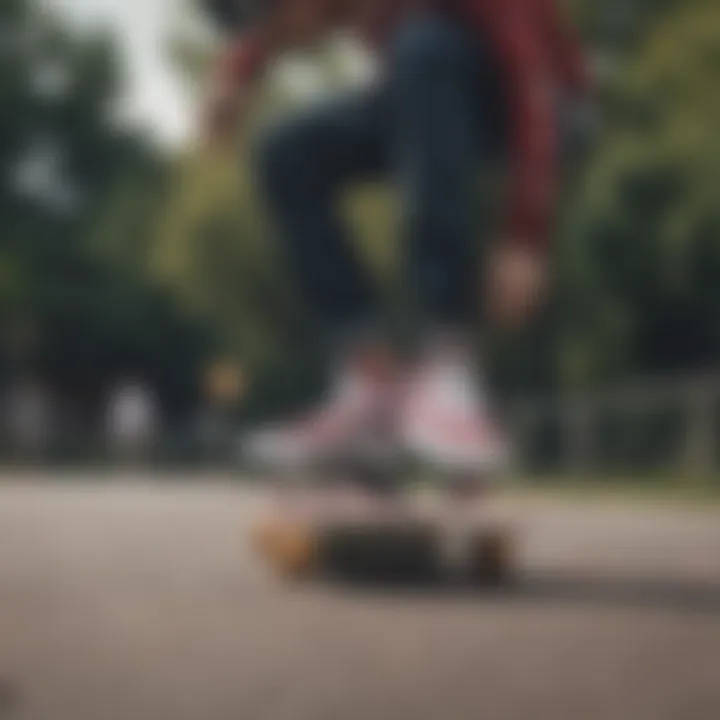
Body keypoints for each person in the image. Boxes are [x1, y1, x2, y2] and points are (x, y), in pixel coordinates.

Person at [203, 0, 592, 472]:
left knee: (423, 49)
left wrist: (526, 232)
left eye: (276, 25)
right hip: (430, 91)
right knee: (287, 154)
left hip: (540, 103)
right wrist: (236, 75)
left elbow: (528, 69)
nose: (283, 43)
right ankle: (372, 381)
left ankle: (449, 367)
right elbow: (269, 32)